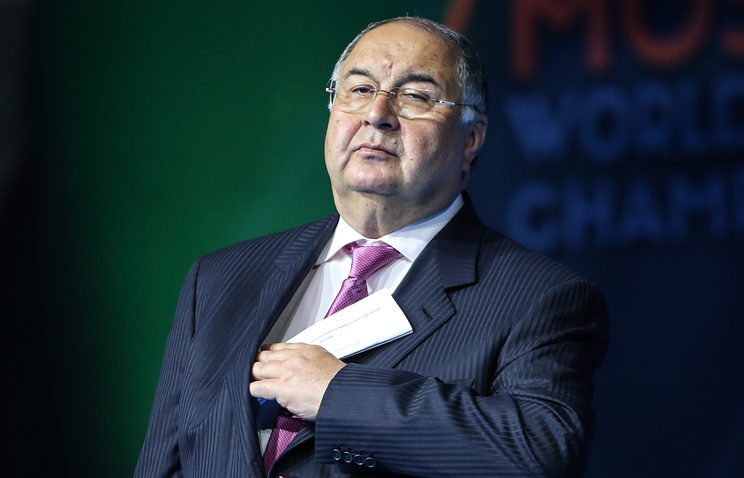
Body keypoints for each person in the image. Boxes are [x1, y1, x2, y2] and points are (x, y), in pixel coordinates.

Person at [135, 16, 609, 478]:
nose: (377, 114)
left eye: (416, 96)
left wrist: (337, 395)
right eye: (360, 89)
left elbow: (540, 452)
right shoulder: (219, 279)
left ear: (471, 138)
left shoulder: (538, 297)